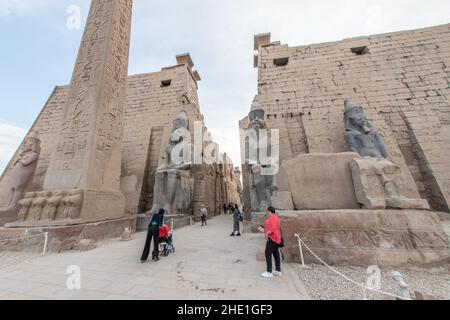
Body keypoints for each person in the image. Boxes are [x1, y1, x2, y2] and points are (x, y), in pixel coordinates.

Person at [261, 207, 282, 278]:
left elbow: (273, 228)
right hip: (275, 238)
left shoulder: (274, 218)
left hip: (272, 238)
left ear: (270, 211)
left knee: (267, 253)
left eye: (267, 211)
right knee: (275, 253)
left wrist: (267, 233)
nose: (267, 213)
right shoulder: (274, 218)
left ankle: (269, 271)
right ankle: (277, 270)